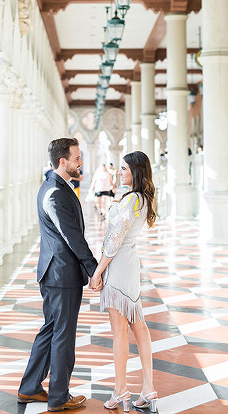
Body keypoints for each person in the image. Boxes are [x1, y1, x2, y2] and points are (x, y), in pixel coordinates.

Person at [18, 137, 100, 411]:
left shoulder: (57, 187)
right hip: (61, 276)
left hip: (56, 273)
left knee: (51, 331)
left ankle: (30, 388)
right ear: (63, 162)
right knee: (63, 336)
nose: (81, 163)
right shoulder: (54, 192)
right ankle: (58, 397)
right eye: (77, 158)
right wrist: (94, 268)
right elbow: (72, 236)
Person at [91, 151, 159, 412]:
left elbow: (114, 240)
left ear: (136, 172)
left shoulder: (132, 200)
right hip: (130, 266)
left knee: (120, 331)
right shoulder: (142, 199)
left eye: (123, 169)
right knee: (139, 325)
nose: (119, 172)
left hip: (119, 267)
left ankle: (120, 391)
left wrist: (98, 272)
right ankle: (148, 389)